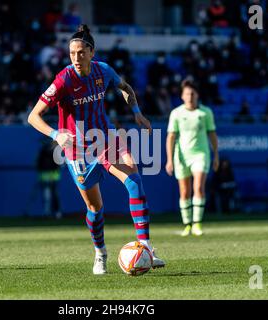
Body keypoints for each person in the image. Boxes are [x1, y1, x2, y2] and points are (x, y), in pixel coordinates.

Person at [28, 25, 165, 275]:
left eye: (81, 52)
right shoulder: (63, 80)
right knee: (94, 208)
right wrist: (56, 134)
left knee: (134, 182)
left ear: (92, 52)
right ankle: (100, 253)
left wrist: (137, 114)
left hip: (105, 139)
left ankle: (145, 247)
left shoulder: (103, 70)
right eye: (72, 53)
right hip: (78, 150)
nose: (76, 58)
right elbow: (33, 116)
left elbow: (126, 88)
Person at [166, 79, 219, 237]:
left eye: (192, 93)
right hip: (181, 156)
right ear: (182, 96)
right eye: (187, 93)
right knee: (184, 191)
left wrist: (216, 155)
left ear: (197, 95)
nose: (190, 96)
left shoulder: (205, 113)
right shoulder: (176, 113)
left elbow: (212, 135)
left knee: (198, 188)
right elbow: (171, 137)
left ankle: (197, 224)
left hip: (200, 154)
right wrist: (169, 159)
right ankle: (187, 224)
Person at [36, 140, 62, 219]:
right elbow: (39, 163)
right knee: (46, 195)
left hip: (53, 176)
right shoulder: (43, 151)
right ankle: (47, 212)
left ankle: (57, 213)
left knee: (54, 195)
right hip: (45, 176)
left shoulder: (56, 152)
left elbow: (58, 164)